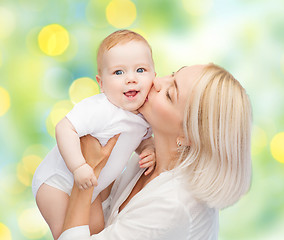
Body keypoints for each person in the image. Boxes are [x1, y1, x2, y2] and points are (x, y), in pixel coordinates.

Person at [58, 63, 252, 240]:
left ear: (188, 136)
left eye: (169, 94)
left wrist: (86, 175)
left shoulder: (174, 205)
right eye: (172, 74)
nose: (156, 81)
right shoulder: (150, 158)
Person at [32, 30, 157, 239]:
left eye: (141, 69)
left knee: (98, 230)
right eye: (119, 72)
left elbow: (141, 139)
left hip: (92, 189)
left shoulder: (145, 115)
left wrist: (149, 149)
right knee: (66, 231)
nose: (131, 79)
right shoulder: (100, 109)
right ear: (101, 83)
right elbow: (64, 128)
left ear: (154, 74)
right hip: (56, 183)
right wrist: (79, 166)